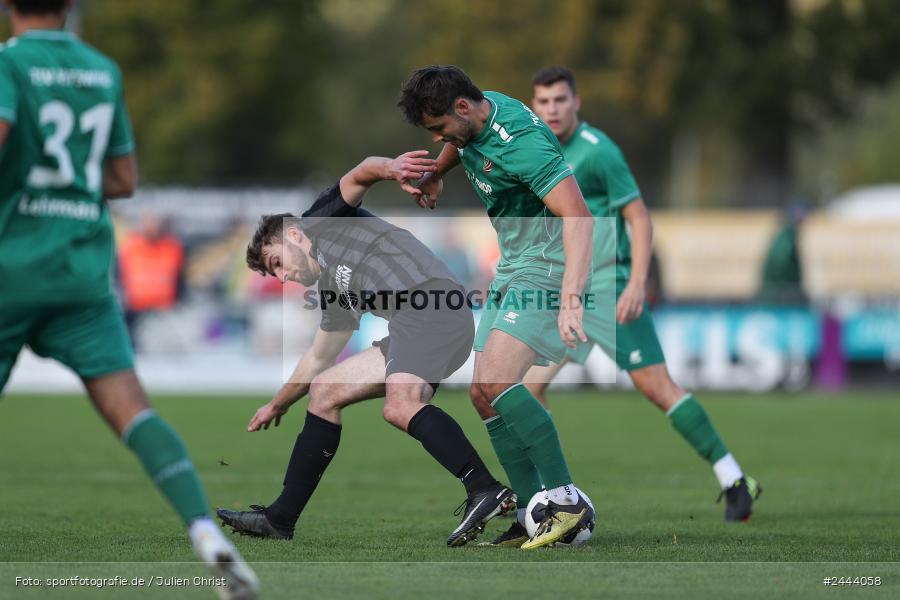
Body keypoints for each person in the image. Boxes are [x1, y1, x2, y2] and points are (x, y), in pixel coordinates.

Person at [0, 2, 258, 597]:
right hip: (82, 273)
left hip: (11, 268)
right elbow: (121, 180)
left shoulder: (9, 67)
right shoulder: (100, 70)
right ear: (68, 6)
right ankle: (204, 532)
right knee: (134, 410)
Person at [216, 151, 514, 547]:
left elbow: (360, 173)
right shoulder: (331, 289)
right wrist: (278, 403)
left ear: (291, 235)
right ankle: (280, 519)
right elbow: (320, 355)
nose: (284, 277)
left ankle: (484, 488)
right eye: (275, 274)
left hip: (431, 304)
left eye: (278, 263)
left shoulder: (318, 220)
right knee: (324, 391)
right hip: (417, 323)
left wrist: (392, 170)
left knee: (400, 405)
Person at [525, 65, 761, 523]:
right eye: (544, 101)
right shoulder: (537, 148)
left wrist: (636, 282)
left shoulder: (598, 152)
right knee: (526, 390)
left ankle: (734, 478)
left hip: (610, 287)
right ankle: (554, 494)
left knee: (657, 388)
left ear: (576, 103)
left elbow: (639, 218)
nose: (552, 109)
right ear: (534, 105)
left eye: (560, 100)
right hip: (567, 290)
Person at [397, 65, 595, 549]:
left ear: (462, 108)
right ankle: (532, 513)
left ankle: (567, 501)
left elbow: (580, 217)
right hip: (514, 263)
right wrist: (436, 175)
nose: (441, 138)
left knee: (500, 382)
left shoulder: (521, 143)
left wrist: (571, 300)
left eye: (440, 128)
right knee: (482, 395)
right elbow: (462, 144)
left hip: (546, 264)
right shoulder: (482, 109)